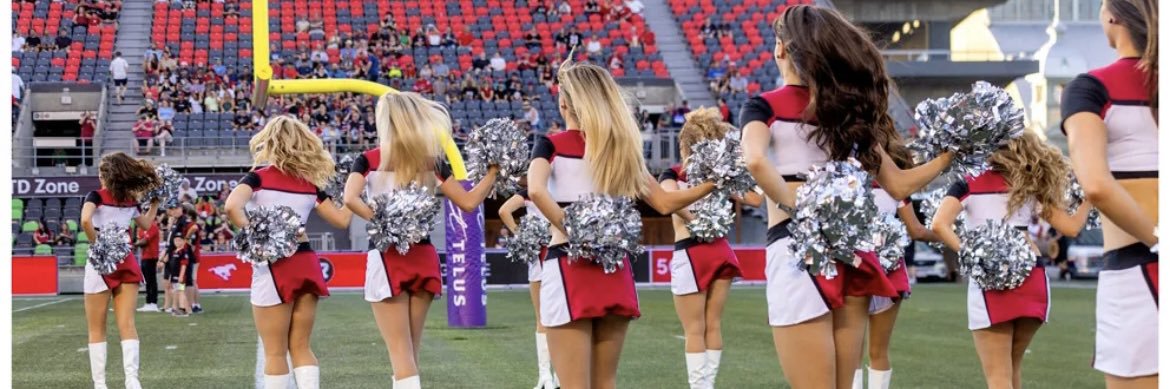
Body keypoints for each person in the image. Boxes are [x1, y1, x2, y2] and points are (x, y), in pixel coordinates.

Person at [740, 5, 954, 388]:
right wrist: (950, 155)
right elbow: (901, 185)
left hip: (795, 250)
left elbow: (755, 160)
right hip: (850, 253)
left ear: (781, 49)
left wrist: (795, 208)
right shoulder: (847, 113)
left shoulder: (763, 106)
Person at [525, 60, 714, 389]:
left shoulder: (550, 144)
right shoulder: (622, 149)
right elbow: (665, 203)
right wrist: (713, 183)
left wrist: (571, 229)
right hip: (615, 270)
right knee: (606, 382)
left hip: (568, 268)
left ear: (564, 102)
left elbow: (535, 189)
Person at [342, 92, 499, 389]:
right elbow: (468, 202)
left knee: (401, 356)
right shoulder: (432, 161)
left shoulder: (368, 159)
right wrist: (493, 173)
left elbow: (349, 199)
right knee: (411, 354)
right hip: (424, 257)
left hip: (388, 256)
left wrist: (380, 221)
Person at [932, 132, 1092, 389]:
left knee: (998, 377)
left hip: (992, 280)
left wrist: (973, 254)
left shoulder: (968, 183)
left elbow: (939, 225)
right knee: (1012, 368)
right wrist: (1090, 199)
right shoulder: (1029, 184)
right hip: (1033, 278)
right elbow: (1072, 228)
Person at [1062, 0, 1158, 386]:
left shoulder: (1091, 88)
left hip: (1137, 272)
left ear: (1113, 18)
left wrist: (1158, 239)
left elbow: (1097, 185)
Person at [225, 115, 353, 389]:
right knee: (301, 347)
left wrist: (256, 237)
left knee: (274, 351)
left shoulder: (257, 177)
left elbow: (231, 207)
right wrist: (353, 191)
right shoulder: (310, 185)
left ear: (269, 142)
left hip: (275, 264)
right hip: (306, 261)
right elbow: (343, 219)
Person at [659, 108, 763, 389]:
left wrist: (695, 217)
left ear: (684, 143)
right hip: (720, 250)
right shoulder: (719, 176)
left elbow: (667, 199)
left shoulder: (675, 172)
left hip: (691, 252)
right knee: (713, 325)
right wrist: (723, 182)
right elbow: (755, 199)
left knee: (694, 330)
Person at [80, 152, 161, 389]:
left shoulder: (96, 195)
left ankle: (100, 384)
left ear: (106, 174)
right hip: (125, 260)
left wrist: (98, 244)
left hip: (100, 264)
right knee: (127, 324)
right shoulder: (131, 200)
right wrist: (155, 203)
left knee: (97, 328)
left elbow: (85, 221)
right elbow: (146, 224)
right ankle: (132, 381)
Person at [498, 187, 560, 389]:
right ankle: (558, 376)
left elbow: (504, 211)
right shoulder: (561, 191)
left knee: (542, 319)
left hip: (539, 255)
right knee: (564, 318)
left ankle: (546, 377)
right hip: (562, 251)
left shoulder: (530, 191)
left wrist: (521, 235)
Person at [135, 217, 163, 313]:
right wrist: (138, 243)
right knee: (147, 281)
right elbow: (141, 241)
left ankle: (153, 303)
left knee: (152, 280)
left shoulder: (153, 227)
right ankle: (148, 302)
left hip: (151, 256)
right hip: (144, 256)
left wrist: (134, 245)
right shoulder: (142, 228)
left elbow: (144, 241)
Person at [165, 233, 195, 317]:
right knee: (176, 291)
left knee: (181, 291)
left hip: (180, 277)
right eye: (175, 240)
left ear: (183, 241)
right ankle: (184, 309)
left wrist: (181, 276)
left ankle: (184, 309)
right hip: (174, 276)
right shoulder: (174, 251)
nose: (177, 242)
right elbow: (171, 265)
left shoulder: (183, 252)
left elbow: (184, 265)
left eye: (179, 240)